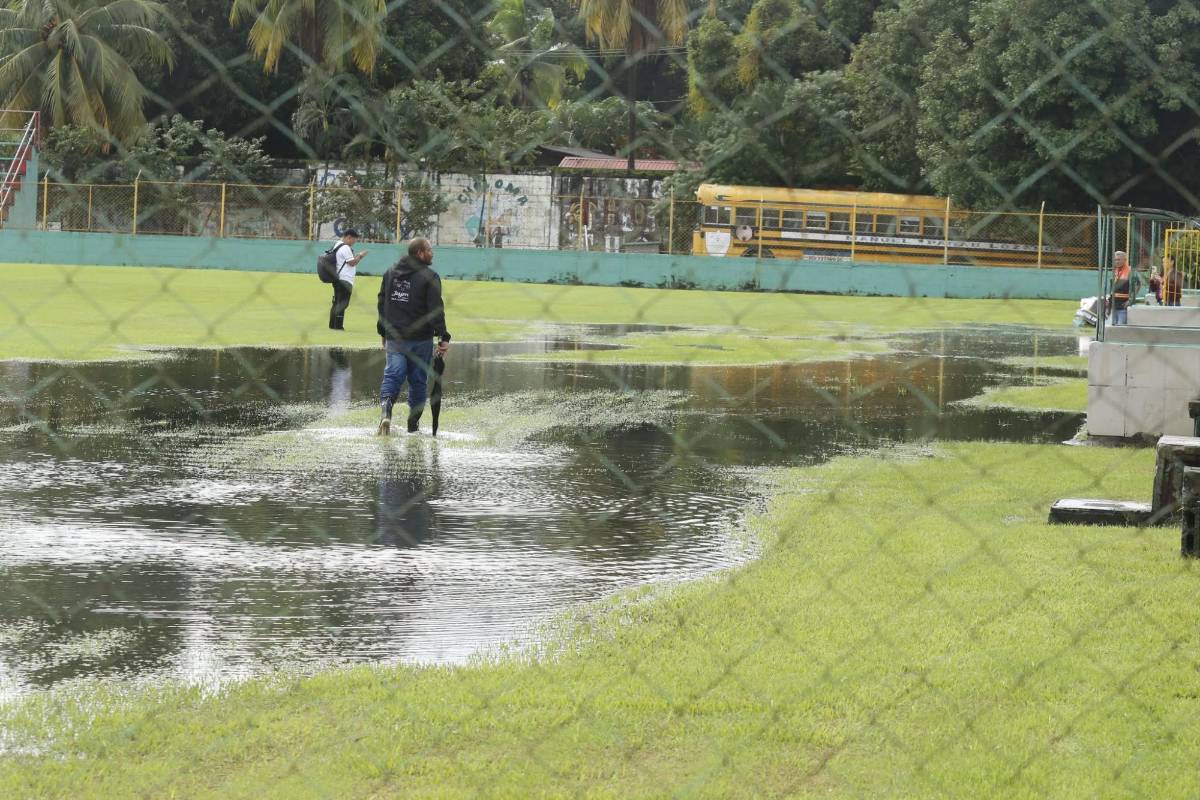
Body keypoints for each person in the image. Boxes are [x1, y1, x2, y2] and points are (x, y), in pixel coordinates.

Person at [376, 237, 451, 435]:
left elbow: (382, 303)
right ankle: (413, 423)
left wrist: (382, 331)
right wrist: (443, 337)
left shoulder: (390, 272)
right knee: (418, 381)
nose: (432, 253)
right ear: (419, 253)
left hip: (395, 336)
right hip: (421, 339)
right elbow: (435, 309)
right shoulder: (430, 276)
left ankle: (386, 412)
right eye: (429, 250)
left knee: (393, 374)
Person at [329, 229, 367, 330]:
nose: (354, 242)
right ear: (349, 237)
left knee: (337, 302)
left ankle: (332, 325)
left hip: (337, 278)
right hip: (344, 279)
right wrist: (360, 255)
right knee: (343, 303)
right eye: (354, 240)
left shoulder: (337, 244)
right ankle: (338, 326)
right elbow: (352, 262)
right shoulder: (345, 247)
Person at [1108, 250, 1132, 325]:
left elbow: (1137, 284)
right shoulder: (1116, 270)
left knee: (1120, 328)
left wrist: (1130, 299)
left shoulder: (1129, 271)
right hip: (1114, 304)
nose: (1116, 261)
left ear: (1125, 260)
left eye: (1119, 259)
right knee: (1113, 326)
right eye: (1115, 259)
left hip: (1123, 305)